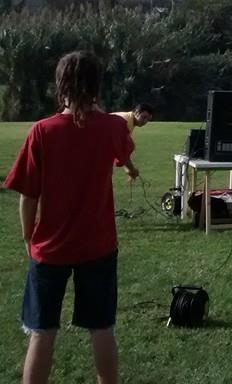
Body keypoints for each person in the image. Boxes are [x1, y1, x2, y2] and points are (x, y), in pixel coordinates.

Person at [4, 51, 138, 384]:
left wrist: (27, 237)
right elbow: (123, 151)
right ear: (96, 85)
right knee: (102, 328)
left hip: (50, 249)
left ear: (60, 85)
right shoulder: (112, 127)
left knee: (41, 331)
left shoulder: (42, 131)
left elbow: (28, 195)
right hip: (99, 245)